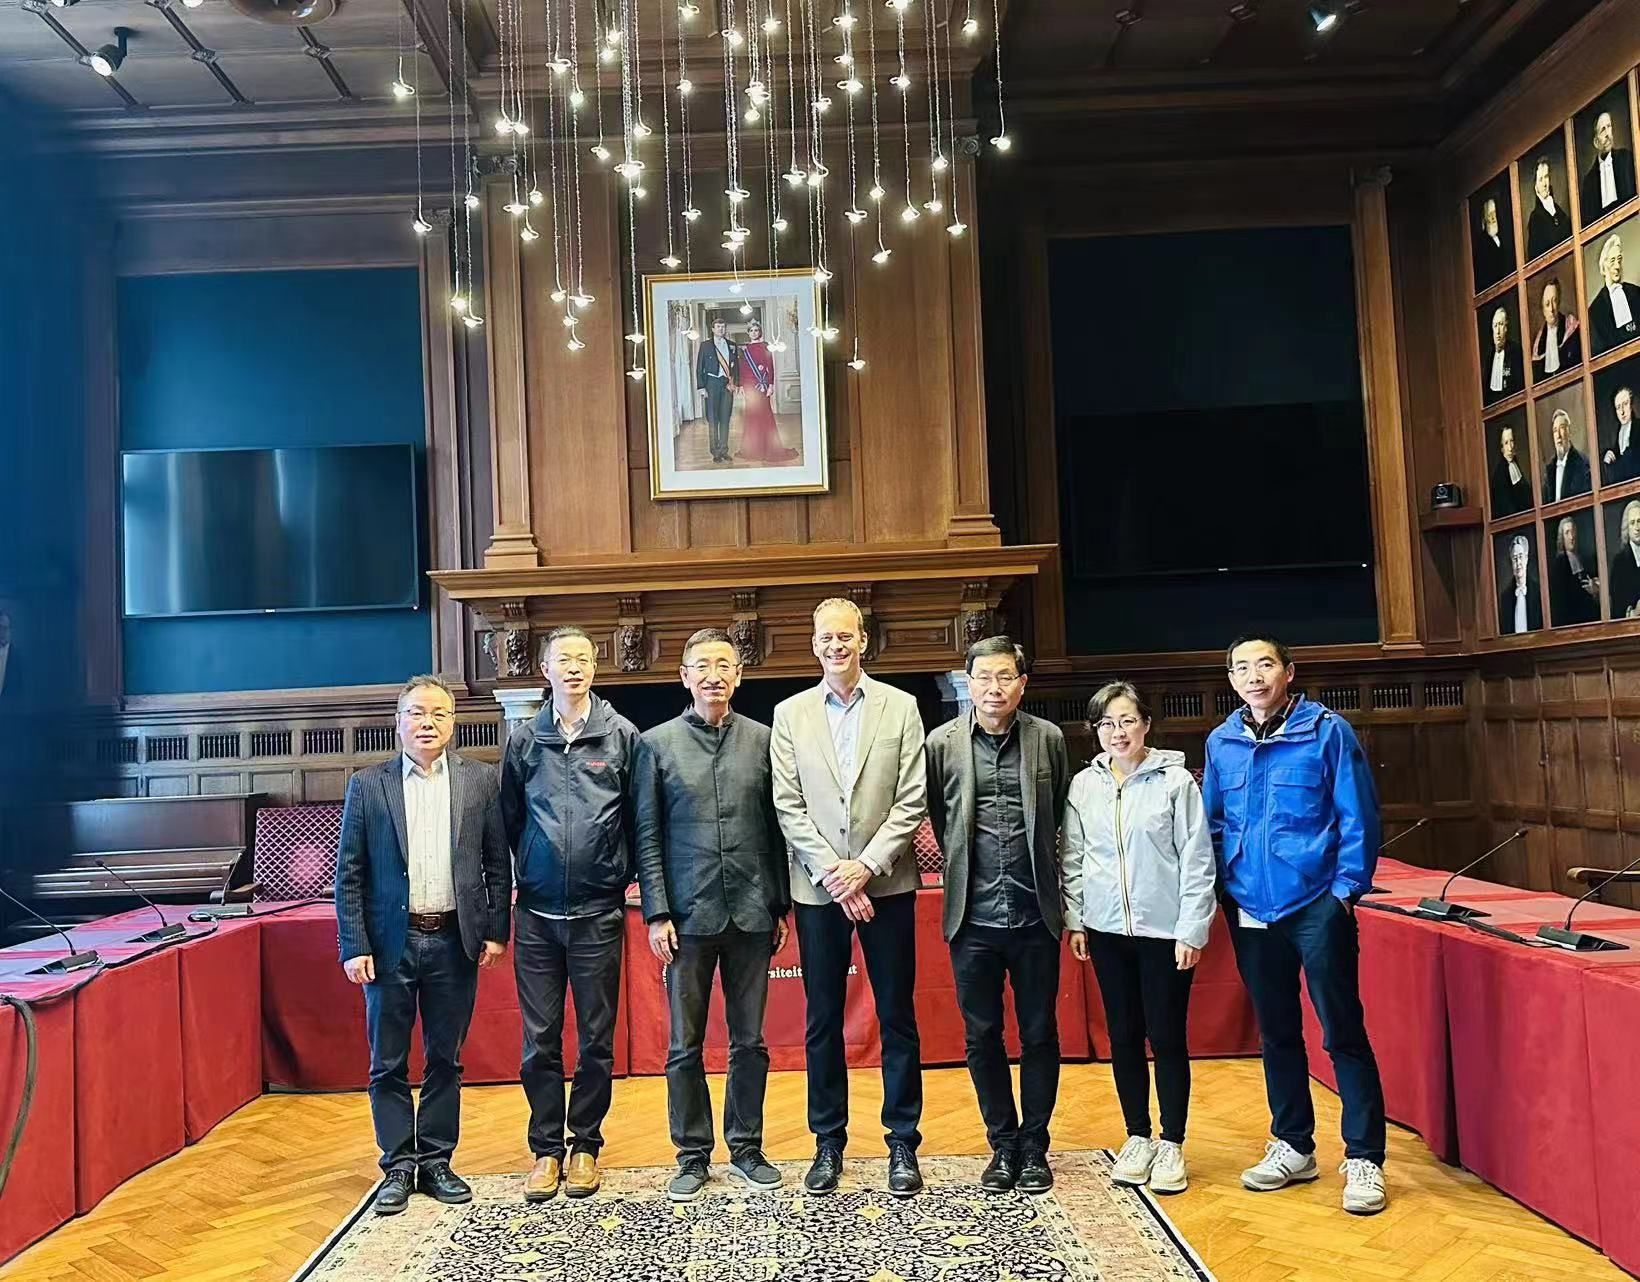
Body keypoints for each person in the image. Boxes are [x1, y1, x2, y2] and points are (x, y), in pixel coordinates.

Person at [1202, 635, 1386, 1216]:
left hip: (1316, 905)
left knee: (1342, 1030)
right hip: (1250, 906)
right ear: (1231, 679)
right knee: (1276, 1031)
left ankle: (1364, 1157)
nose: (1253, 676)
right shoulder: (1222, 741)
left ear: (1288, 672)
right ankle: (1293, 1145)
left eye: (1264, 665)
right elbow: (1213, 822)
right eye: (1241, 668)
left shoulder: (1328, 731)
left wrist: (1344, 893)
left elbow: (1358, 815)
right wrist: (1223, 886)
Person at [335, 675, 512, 1216]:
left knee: (445, 1059)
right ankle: (397, 1165)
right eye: (416, 713)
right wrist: (354, 944)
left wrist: (495, 930)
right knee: (387, 1062)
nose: (427, 723)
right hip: (390, 942)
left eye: (438, 713)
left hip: (455, 941)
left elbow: (496, 863)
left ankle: (436, 1160)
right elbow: (350, 873)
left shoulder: (480, 780)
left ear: (453, 723)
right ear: (399, 721)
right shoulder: (369, 785)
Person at [771, 597, 929, 1198]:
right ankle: (827, 1142)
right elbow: (788, 804)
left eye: (845, 636)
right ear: (813, 644)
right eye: (825, 638)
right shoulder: (790, 714)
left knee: (897, 1016)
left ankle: (903, 1142)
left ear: (863, 640)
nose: (835, 646)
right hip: (818, 892)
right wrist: (836, 877)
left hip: (887, 883)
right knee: (822, 1020)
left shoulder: (901, 707)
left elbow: (911, 799)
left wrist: (864, 867)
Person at [635, 627, 790, 1203]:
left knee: (750, 1041)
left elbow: (777, 829)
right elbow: (646, 834)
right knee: (685, 1044)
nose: (713, 675)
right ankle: (692, 1154)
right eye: (701, 665)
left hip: (753, 912)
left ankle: (747, 1147)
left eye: (724, 664)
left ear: (739, 675)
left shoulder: (764, 740)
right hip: (686, 916)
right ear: (684, 677)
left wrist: (779, 904)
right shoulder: (655, 744)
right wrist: (656, 913)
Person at [502, 625, 643, 1202]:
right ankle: (545, 1150)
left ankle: (585, 1144)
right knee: (539, 1039)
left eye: (583, 658)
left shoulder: (621, 735)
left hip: (597, 915)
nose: (574, 667)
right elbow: (510, 820)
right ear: (546, 669)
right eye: (564, 659)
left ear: (594, 667)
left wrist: (619, 872)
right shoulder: (524, 741)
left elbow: (638, 820)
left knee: (595, 1039)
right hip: (536, 917)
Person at [924, 636, 1070, 1195]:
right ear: (968, 683)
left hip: (1035, 914)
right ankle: (1002, 1144)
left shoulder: (1048, 738)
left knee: (1039, 1033)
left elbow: (1059, 812)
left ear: (1022, 683)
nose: (993, 687)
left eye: (1005, 676)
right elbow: (940, 817)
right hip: (972, 917)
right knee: (982, 1035)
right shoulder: (942, 744)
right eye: (983, 677)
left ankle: (1035, 1145)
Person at [1062, 682, 1215, 1197]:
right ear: (1095, 731)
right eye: (1107, 723)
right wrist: (1077, 919)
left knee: (1166, 1036)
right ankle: (1138, 1135)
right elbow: (1074, 857)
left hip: (1164, 933)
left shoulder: (1175, 781)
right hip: (1105, 931)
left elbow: (1197, 859)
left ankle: (1172, 1141)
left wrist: (1191, 927)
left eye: (1127, 720)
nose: (1118, 732)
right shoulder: (1084, 785)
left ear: (1146, 724)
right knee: (1123, 1035)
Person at [735, 320, 797, 464]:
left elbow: (770, 366)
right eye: (751, 330)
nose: (754, 333)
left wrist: (771, 385)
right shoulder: (745, 349)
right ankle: (752, 448)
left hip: (762, 386)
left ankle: (768, 447)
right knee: (751, 416)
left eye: (756, 330)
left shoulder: (765, 346)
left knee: (764, 415)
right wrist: (742, 385)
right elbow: (742, 369)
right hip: (750, 387)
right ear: (748, 333)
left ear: (760, 332)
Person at [695, 316, 739, 463]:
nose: (721, 329)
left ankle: (724, 450)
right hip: (711, 384)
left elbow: (736, 367)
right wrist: (701, 387)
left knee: (725, 418)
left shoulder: (732, 345)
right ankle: (715, 452)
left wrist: (735, 383)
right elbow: (699, 367)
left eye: (723, 327)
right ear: (713, 329)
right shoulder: (705, 345)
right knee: (713, 419)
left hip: (727, 384)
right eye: (718, 327)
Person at [1589, 234, 1640, 356]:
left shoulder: (1636, 292)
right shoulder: (1596, 309)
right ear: (1603, 267)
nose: (1617, 266)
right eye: (1612, 261)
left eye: (1619, 260)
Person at [1581, 110, 1636, 218]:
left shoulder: (1626, 158)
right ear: (1596, 142)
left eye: (1609, 126)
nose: (1607, 134)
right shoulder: (1589, 181)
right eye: (1602, 130)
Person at [1549, 516, 1600, 626]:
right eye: (1567, 533)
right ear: (1561, 537)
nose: (1571, 537)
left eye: (1573, 532)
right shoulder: (1559, 564)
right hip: (1572, 622)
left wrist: (1595, 589)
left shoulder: (1583, 559)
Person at [1530, 277, 1581, 380]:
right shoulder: (1539, 342)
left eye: (1554, 301)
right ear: (1543, 308)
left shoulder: (1571, 326)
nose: (1551, 309)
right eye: (1547, 304)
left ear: (1559, 302)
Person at [1541, 408, 1591, 502]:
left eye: (1562, 428)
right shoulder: (1549, 469)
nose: (1558, 436)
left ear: (1569, 431)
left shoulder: (1582, 463)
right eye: (1555, 430)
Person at [1525, 157, 1571, 260]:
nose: (1544, 184)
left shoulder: (1559, 211)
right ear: (1535, 185)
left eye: (1546, 177)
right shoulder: (1535, 218)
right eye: (1540, 179)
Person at [1498, 534, 1543, 634]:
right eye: (1514, 558)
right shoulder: (1505, 597)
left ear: (1526, 559)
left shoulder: (1539, 591)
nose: (1518, 562)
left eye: (1520, 557)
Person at [1488, 423, 1532, 517]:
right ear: (1501, 448)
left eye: (1511, 441)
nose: (1510, 447)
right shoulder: (1499, 475)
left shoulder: (1518, 465)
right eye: (1506, 443)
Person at [1482, 306, 1522, 405]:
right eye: (1495, 326)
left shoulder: (1515, 351)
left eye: (1501, 324)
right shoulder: (1489, 357)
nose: (1498, 331)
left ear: (1506, 328)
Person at [1609, 499, 1640, 619]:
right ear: (1627, 527)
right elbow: (1617, 604)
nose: (1637, 527)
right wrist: (1633, 612)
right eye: (1632, 523)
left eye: (1639, 521)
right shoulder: (1619, 562)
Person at [1471, 197, 1511, 288]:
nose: (1493, 218)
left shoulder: (1504, 236)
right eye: (1489, 215)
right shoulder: (1482, 244)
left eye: (1494, 213)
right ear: (1484, 219)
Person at [1602, 385, 1638, 483]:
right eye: (1618, 407)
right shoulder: (1619, 432)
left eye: (1625, 404)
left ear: (1631, 405)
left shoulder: (1638, 427)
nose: (1622, 412)